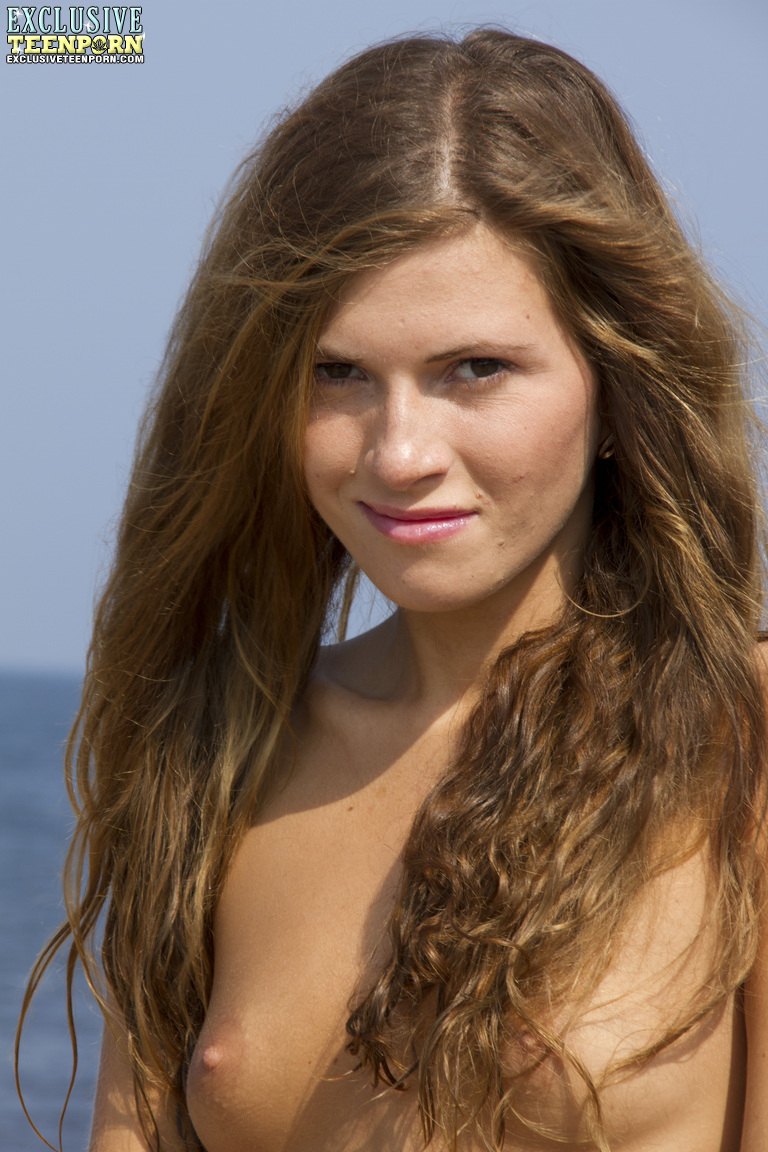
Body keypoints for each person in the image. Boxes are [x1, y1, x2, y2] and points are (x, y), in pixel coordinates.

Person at [18, 27, 768, 1152]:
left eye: (477, 369)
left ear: (618, 384)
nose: (399, 451)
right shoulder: (215, 749)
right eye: (339, 374)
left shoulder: (739, 742)